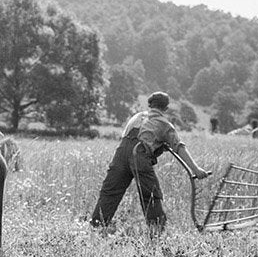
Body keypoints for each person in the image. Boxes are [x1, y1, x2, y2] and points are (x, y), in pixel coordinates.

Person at [90, 92, 210, 232]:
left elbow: (130, 136)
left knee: (110, 191)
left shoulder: (137, 117)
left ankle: (97, 226)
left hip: (121, 154)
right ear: (165, 108)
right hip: (139, 155)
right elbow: (179, 147)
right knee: (150, 195)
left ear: (150, 104)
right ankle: (157, 232)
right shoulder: (164, 124)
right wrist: (196, 170)